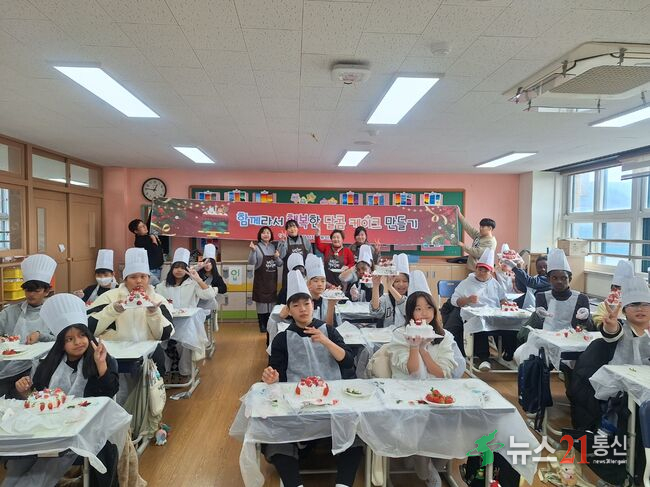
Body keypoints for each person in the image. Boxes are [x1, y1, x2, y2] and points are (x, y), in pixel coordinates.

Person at [261, 270, 361, 487]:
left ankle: (343, 484)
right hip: (297, 405)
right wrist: (271, 377)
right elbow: (275, 373)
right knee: (275, 437)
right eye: (296, 305)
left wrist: (325, 341)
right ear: (289, 310)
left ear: (313, 305)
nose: (302, 309)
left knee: (354, 434)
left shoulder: (328, 331)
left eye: (306, 303)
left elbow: (348, 361)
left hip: (333, 401)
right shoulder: (282, 339)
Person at [7, 294, 120, 487]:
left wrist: (101, 365)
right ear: (61, 342)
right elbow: (38, 396)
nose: (78, 342)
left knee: (42, 471)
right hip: (46, 428)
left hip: (84, 431)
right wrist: (24, 392)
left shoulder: (101, 358)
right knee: (19, 464)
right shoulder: (49, 363)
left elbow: (108, 394)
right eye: (70, 339)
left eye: (82, 335)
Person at [384, 272, 463, 487]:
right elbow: (411, 371)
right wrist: (413, 346)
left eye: (428, 307)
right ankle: (424, 468)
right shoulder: (400, 334)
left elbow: (442, 373)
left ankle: (431, 462)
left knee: (452, 421)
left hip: (437, 392)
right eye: (418, 308)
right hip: (406, 391)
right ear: (410, 312)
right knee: (419, 420)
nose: (424, 313)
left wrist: (424, 350)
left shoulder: (445, 336)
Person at [568, 276, 650, 441]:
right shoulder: (622, 329)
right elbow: (612, 333)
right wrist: (610, 326)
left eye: (645, 304)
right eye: (633, 305)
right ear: (624, 311)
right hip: (621, 384)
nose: (640, 309)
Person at [513, 248, 594, 365]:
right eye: (554, 278)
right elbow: (540, 326)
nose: (559, 281)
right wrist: (538, 316)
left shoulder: (581, 298)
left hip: (572, 342)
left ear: (570, 279)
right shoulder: (542, 296)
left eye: (563, 278)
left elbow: (586, 328)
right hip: (547, 341)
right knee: (522, 356)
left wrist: (585, 318)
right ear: (548, 279)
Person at [444, 248, 514, 372]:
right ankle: (483, 358)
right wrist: (468, 299)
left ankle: (509, 354)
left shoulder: (494, 284)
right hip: (472, 315)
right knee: (479, 324)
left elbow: (502, 298)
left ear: (491, 272)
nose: (481, 272)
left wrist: (505, 304)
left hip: (493, 315)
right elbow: (454, 301)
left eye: (485, 270)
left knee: (511, 324)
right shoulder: (467, 282)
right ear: (476, 269)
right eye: (479, 269)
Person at [156, 248, 217, 382]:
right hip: (168, 321)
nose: (179, 270)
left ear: (187, 270)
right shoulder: (162, 286)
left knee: (184, 342)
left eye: (182, 268)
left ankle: (184, 371)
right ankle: (166, 370)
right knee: (162, 342)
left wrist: (198, 279)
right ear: (171, 269)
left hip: (188, 322)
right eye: (176, 267)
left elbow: (209, 295)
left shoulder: (192, 284)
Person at [88, 248, 174, 343]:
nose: (139, 281)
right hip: (114, 350)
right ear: (125, 280)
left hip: (148, 350)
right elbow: (89, 328)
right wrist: (113, 310)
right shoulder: (109, 297)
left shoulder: (158, 300)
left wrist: (153, 313)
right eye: (133, 277)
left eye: (143, 277)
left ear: (149, 279)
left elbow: (165, 335)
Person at [0, 254, 56, 398]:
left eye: (36, 291)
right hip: (6, 367)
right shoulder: (9, 312)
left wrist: (40, 335)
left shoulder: (53, 313)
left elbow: (61, 339)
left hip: (36, 369)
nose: (31, 294)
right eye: (28, 290)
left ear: (46, 291)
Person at [248, 226, 283, 333]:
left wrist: (277, 257)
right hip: (261, 282)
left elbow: (280, 264)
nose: (266, 234)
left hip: (272, 281)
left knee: (271, 305)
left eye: (268, 232)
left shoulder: (274, 247)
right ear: (260, 235)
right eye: (263, 233)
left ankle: (269, 324)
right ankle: (262, 325)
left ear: (271, 235)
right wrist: (253, 251)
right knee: (262, 305)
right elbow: (251, 262)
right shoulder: (256, 247)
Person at [370, 253, 410, 328]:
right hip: (388, 334)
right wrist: (375, 285)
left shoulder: (412, 299)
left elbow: (406, 309)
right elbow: (375, 311)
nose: (401, 284)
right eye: (397, 281)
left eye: (405, 281)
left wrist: (390, 287)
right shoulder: (386, 299)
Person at [592, 260, 634, 329]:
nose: (618, 292)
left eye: (623, 289)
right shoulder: (604, 306)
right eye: (616, 289)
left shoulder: (637, 308)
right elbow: (599, 326)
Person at [277, 219, 313, 291]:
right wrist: (283, 243)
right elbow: (280, 257)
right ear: (286, 230)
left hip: (303, 275)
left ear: (297, 228)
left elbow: (310, 256)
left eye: (294, 226)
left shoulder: (305, 240)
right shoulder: (283, 240)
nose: (292, 229)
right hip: (288, 275)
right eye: (289, 227)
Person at [128, 218, 164, 284]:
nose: (145, 227)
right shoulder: (140, 241)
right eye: (141, 227)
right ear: (136, 231)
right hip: (152, 269)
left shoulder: (147, 236)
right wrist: (154, 240)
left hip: (157, 267)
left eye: (144, 225)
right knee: (155, 286)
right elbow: (155, 250)